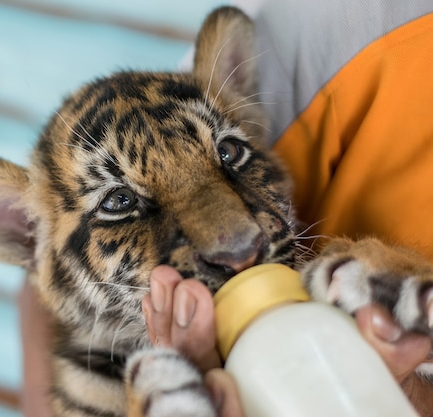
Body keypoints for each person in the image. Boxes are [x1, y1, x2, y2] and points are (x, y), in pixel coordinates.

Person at [21, 1, 433, 416]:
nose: (237, 242)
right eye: (120, 202)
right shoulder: (353, 24)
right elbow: (43, 279)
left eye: (229, 153)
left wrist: (409, 387)